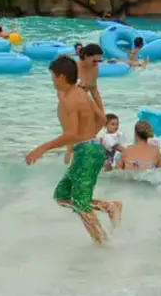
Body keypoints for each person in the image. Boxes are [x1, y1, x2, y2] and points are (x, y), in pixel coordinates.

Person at [24, 55, 122, 245]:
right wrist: (89, 138)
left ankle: (103, 244)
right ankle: (109, 207)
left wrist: (42, 148)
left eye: (53, 77)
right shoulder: (78, 93)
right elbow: (102, 119)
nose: (52, 81)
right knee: (62, 195)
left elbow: (71, 134)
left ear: (61, 77)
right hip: (88, 150)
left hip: (87, 154)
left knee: (80, 203)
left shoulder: (71, 100)